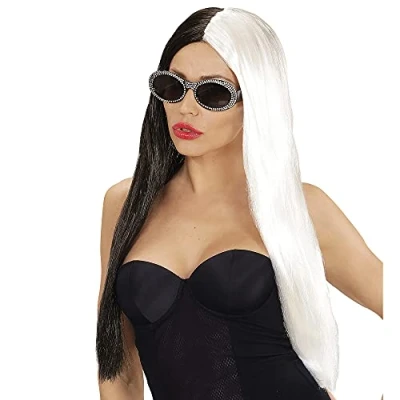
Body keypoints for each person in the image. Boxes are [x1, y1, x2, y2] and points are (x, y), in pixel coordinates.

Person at [96, 6, 383, 400]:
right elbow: (119, 370)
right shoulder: (126, 204)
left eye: (213, 93)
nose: (186, 107)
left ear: (257, 100)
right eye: (172, 86)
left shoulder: (301, 207)